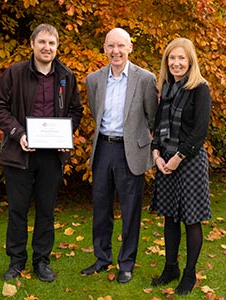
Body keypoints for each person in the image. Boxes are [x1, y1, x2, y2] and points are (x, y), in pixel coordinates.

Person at [0, 23, 83, 282]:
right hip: (20, 154)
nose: (47, 47)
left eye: (52, 43)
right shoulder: (15, 73)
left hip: (51, 156)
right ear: (32, 44)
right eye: (42, 42)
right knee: (17, 210)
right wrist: (18, 134)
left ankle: (41, 261)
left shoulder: (66, 76)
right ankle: (16, 261)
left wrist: (67, 135)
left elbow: (76, 111)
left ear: (57, 46)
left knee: (46, 211)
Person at [80, 28, 158, 284]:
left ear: (130, 48)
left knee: (130, 210)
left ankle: (126, 263)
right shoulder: (94, 79)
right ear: (104, 48)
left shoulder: (145, 79)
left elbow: (152, 117)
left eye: (121, 46)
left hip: (130, 151)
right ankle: (102, 259)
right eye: (111, 46)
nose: (116, 51)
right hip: (103, 148)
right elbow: (95, 111)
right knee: (101, 208)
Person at [150, 37, 212, 295]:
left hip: (190, 162)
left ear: (190, 61)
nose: (176, 63)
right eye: (171, 58)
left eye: (181, 58)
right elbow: (157, 126)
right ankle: (170, 268)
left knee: (191, 220)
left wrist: (177, 158)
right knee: (169, 218)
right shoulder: (166, 88)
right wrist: (156, 155)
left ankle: (189, 274)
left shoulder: (200, 88)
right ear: (167, 62)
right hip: (165, 161)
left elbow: (199, 132)